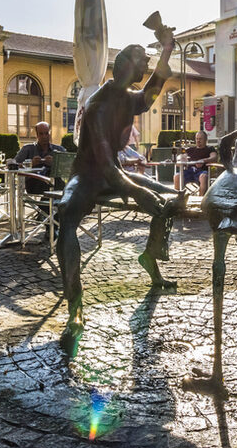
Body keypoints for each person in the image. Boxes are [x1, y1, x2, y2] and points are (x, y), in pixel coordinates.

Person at [56, 22, 187, 353]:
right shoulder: (99, 104)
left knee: (169, 196)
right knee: (66, 217)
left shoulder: (127, 97)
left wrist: (167, 50)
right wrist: (138, 192)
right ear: (128, 64)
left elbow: (152, 93)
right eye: (143, 59)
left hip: (112, 172)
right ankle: (76, 307)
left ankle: (150, 254)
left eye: (148, 60)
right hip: (87, 176)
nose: (146, 65)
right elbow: (108, 170)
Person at [14, 121, 64, 195]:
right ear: (37, 135)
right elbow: (13, 165)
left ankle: (47, 204)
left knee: (58, 182)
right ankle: (48, 204)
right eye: (41, 134)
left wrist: (55, 164)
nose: (44, 136)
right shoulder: (27, 149)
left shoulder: (59, 150)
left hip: (54, 183)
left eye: (46, 133)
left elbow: (69, 167)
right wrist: (30, 164)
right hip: (34, 184)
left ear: (50, 134)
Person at [180, 130, 216, 195]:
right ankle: (178, 199)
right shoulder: (190, 150)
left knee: (203, 176)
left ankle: (201, 200)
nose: (198, 140)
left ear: (205, 140)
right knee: (177, 176)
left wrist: (203, 161)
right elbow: (181, 156)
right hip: (190, 171)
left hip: (202, 171)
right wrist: (181, 159)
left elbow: (214, 157)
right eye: (197, 139)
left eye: (200, 139)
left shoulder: (210, 148)